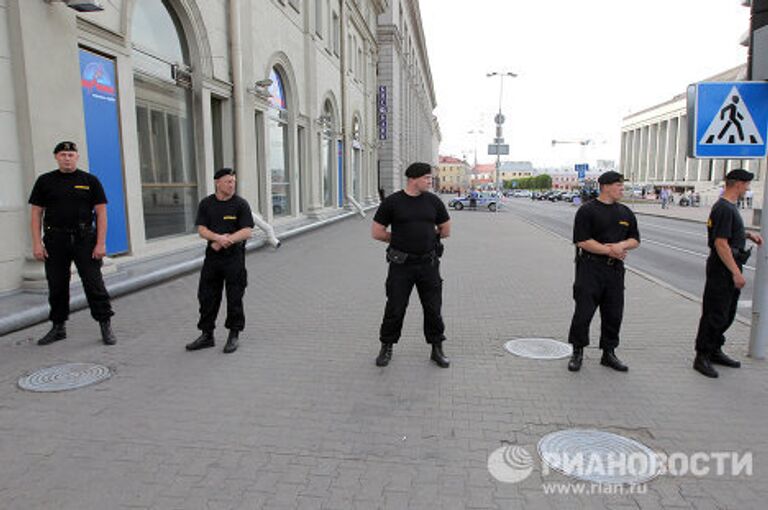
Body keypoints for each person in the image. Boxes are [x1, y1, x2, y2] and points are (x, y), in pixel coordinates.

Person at [29, 141, 116, 346]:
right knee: (57, 285)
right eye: (62, 154)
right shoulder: (45, 181)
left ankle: (105, 324)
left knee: (94, 284)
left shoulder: (89, 180)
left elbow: (101, 213)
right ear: (56, 157)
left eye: (70, 154)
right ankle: (58, 327)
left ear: (77, 157)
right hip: (55, 241)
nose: (66, 158)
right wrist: (36, 244)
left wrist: (101, 243)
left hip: (84, 240)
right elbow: (36, 214)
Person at [371, 162, 451, 368]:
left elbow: (446, 229)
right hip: (401, 266)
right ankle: (386, 347)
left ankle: (437, 349)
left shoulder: (434, 202)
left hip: (429, 265)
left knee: (433, 309)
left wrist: (426, 237)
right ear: (413, 179)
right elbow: (377, 232)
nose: (430, 181)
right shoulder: (392, 202)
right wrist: (399, 239)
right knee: (395, 308)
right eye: (427, 178)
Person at [567, 171, 640, 372]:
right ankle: (577, 351)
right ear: (606, 186)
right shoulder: (587, 211)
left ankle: (609, 353)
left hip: (615, 271)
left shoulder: (625, 212)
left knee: (613, 313)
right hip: (590, 268)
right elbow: (582, 240)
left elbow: (635, 239)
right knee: (583, 312)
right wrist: (611, 250)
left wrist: (622, 244)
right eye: (619, 186)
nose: (622, 190)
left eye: (622, 186)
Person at [693, 169, 763, 378]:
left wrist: (747, 235)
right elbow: (721, 244)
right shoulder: (724, 208)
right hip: (722, 268)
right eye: (747, 185)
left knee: (727, 312)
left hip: (728, 265)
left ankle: (715, 349)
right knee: (715, 313)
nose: (748, 189)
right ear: (738, 184)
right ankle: (702, 355)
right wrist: (735, 272)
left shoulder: (729, 207)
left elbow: (728, 234)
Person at [186, 168, 255, 354]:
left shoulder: (240, 204)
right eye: (228, 182)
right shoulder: (207, 204)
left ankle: (234, 334)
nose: (232, 185)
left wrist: (227, 240)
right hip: (213, 259)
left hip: (234, 259)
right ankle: (206, 335)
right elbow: (201, 229)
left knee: (234, 297)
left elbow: (247, 231)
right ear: (218, 183)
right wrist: (217, 238)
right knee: (207, 296)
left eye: (233, 181)